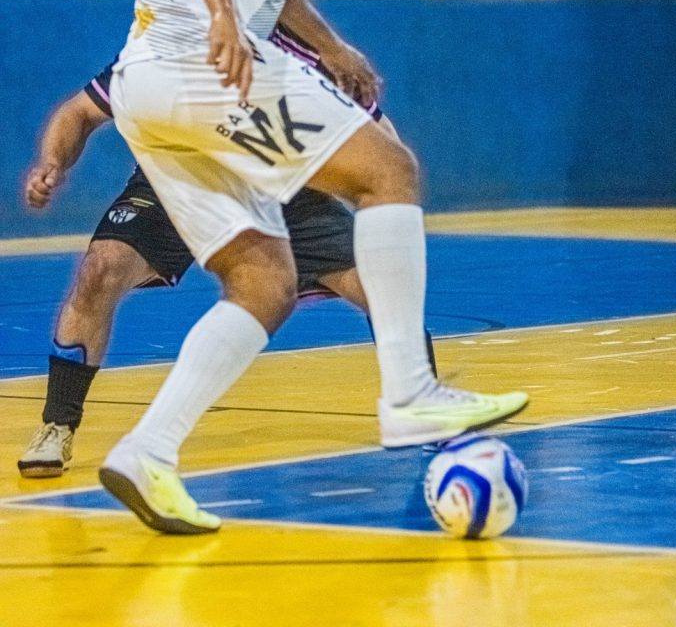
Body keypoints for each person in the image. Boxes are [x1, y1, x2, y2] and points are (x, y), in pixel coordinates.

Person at [97, 0, 527, 534]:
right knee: (388, 171)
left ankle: (147, 452)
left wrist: (327, 43)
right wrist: (223, 15)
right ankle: (409, 392)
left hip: (147, 85)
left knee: (265, 279)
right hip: (196, 61)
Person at [18, 32, 437, 478]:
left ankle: (423, 406)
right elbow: (80, 111)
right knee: (101, 268)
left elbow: (379, 136)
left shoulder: (301, 49)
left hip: (280, 190)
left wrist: (384, 201)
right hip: (175, 179)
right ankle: (57, 425)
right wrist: (52, 162)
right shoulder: (166, 41)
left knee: (383, 286)